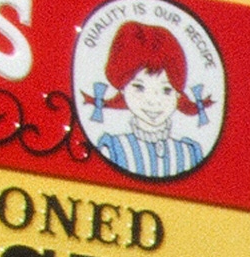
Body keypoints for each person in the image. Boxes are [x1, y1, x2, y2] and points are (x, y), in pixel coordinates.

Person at [86, 21, 211, 178]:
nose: (153, 101)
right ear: (122, 89)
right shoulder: (112, 148)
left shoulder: (190, 152)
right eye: (139, 87)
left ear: (178, 93)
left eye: (166, 90)